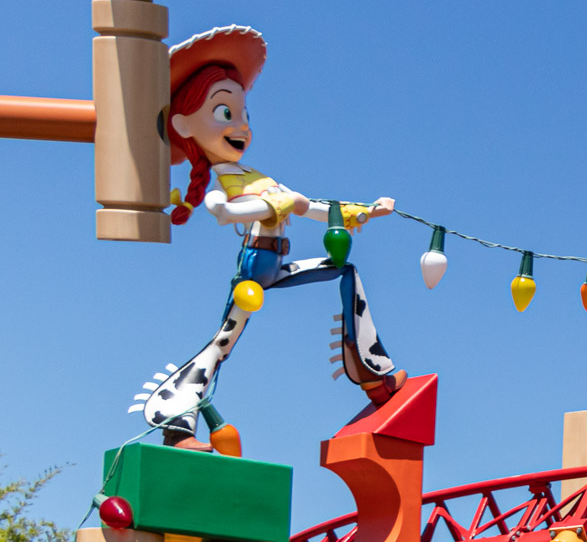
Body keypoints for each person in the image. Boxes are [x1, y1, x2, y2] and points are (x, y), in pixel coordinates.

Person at [131, 25, 404, 450]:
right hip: (256, 269)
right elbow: (233, 210)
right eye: (225, 113)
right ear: (184, 124)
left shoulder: (258, 179)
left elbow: (313, 208)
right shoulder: (234, 182)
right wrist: (259, 206)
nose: (241, 126)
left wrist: (366, 211)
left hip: (276, 265)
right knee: (221, 345)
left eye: (243, 115)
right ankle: (176, 424)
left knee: (345, 272)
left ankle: (372, 373)